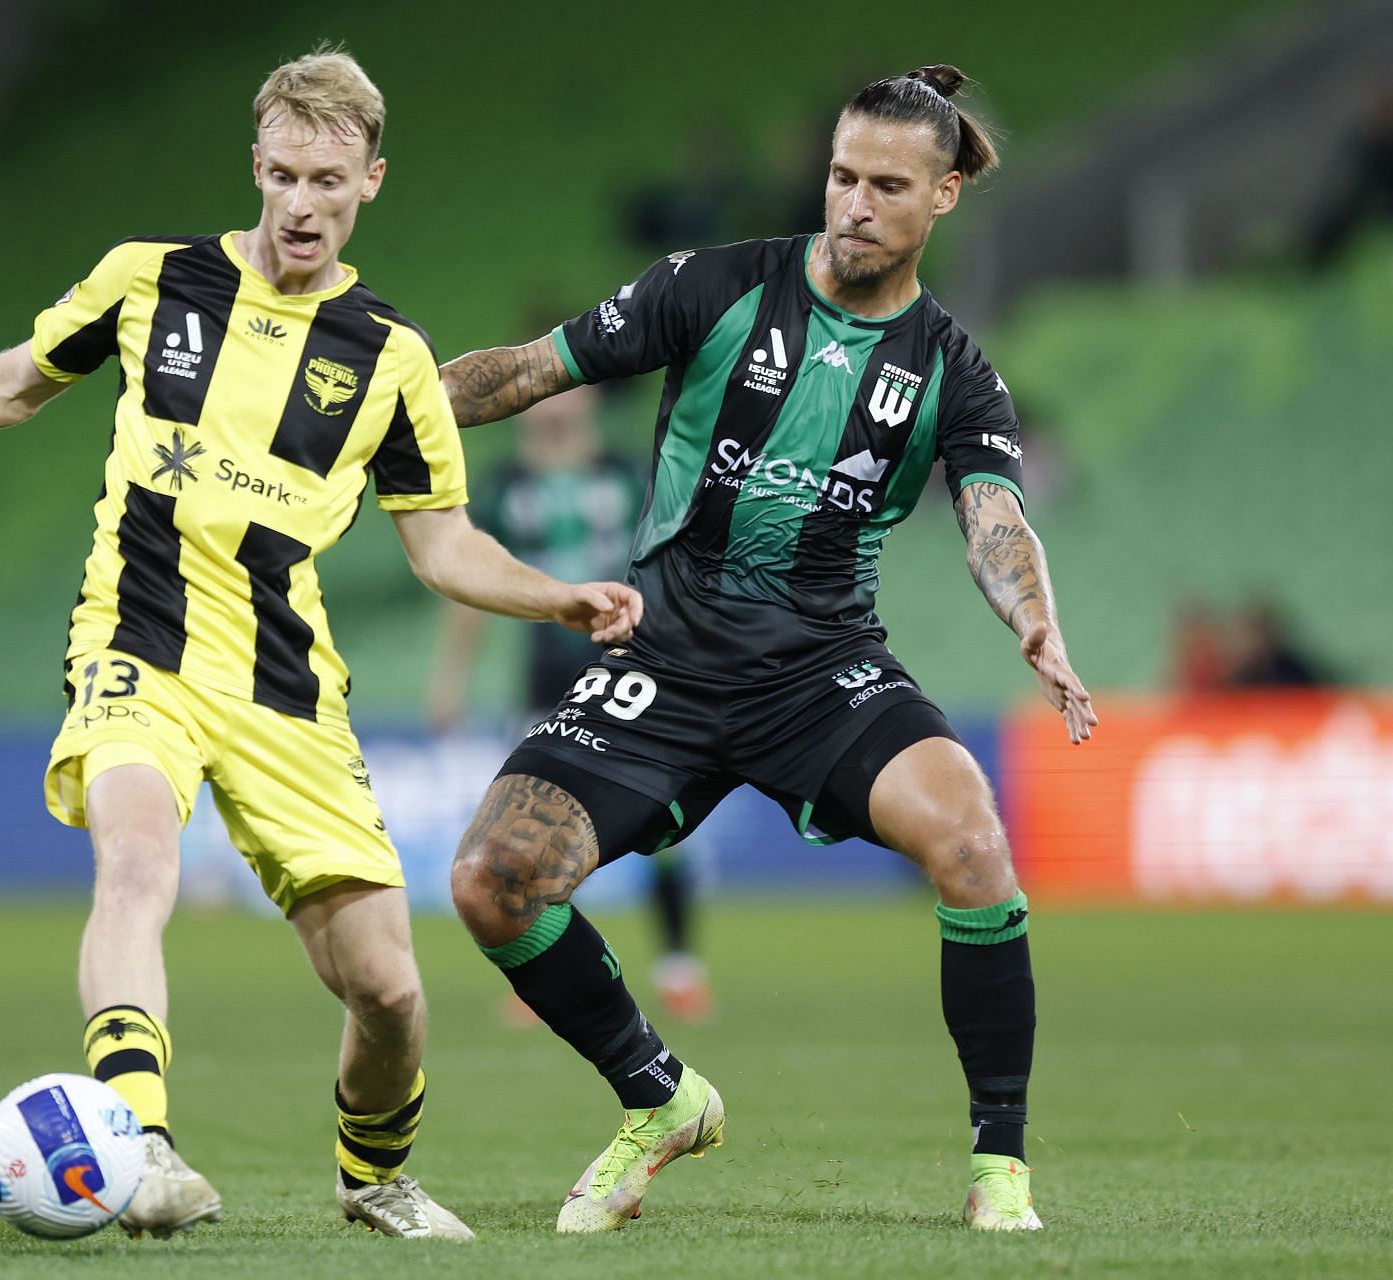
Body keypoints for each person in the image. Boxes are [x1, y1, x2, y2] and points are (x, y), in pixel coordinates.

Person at [0, 47, 641, 1241]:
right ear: (256, 163)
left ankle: (373, 1177)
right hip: (137, 646)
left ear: (373, 182)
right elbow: (7, 383)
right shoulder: (151, 282)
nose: (303, 202)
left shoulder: (391, 359)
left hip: (288, 689)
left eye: (330, 180)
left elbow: (446, 547)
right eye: (286, 172)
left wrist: (556, 596)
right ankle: (138, 1141)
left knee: (390, 988)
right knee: (138, 862)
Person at [438, 65, 1097, 1234]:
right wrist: (389, 412)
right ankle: (663, 1097)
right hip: (670, 654)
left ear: (942, 197)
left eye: (887, 185)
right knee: (491, 881)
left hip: (823, 670)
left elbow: (997, 517)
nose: (853, 202)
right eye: (842, 174)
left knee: (973, 840)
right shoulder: (715, 286)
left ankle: (1002, 1165)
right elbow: (533, 367)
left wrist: (1032, 615)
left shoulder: (952, 366)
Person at [424, 381, 714, 1023]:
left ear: (589, 400)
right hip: (546, 680)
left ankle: (679, 967)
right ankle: (546, 974)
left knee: (668, 830)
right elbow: (469, 582)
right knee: (533, 833)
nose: (556, 404)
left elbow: (676, 566)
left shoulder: (630, 475)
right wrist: (451, 677)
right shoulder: (503, 486)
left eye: (570, 393)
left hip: (638, 671)